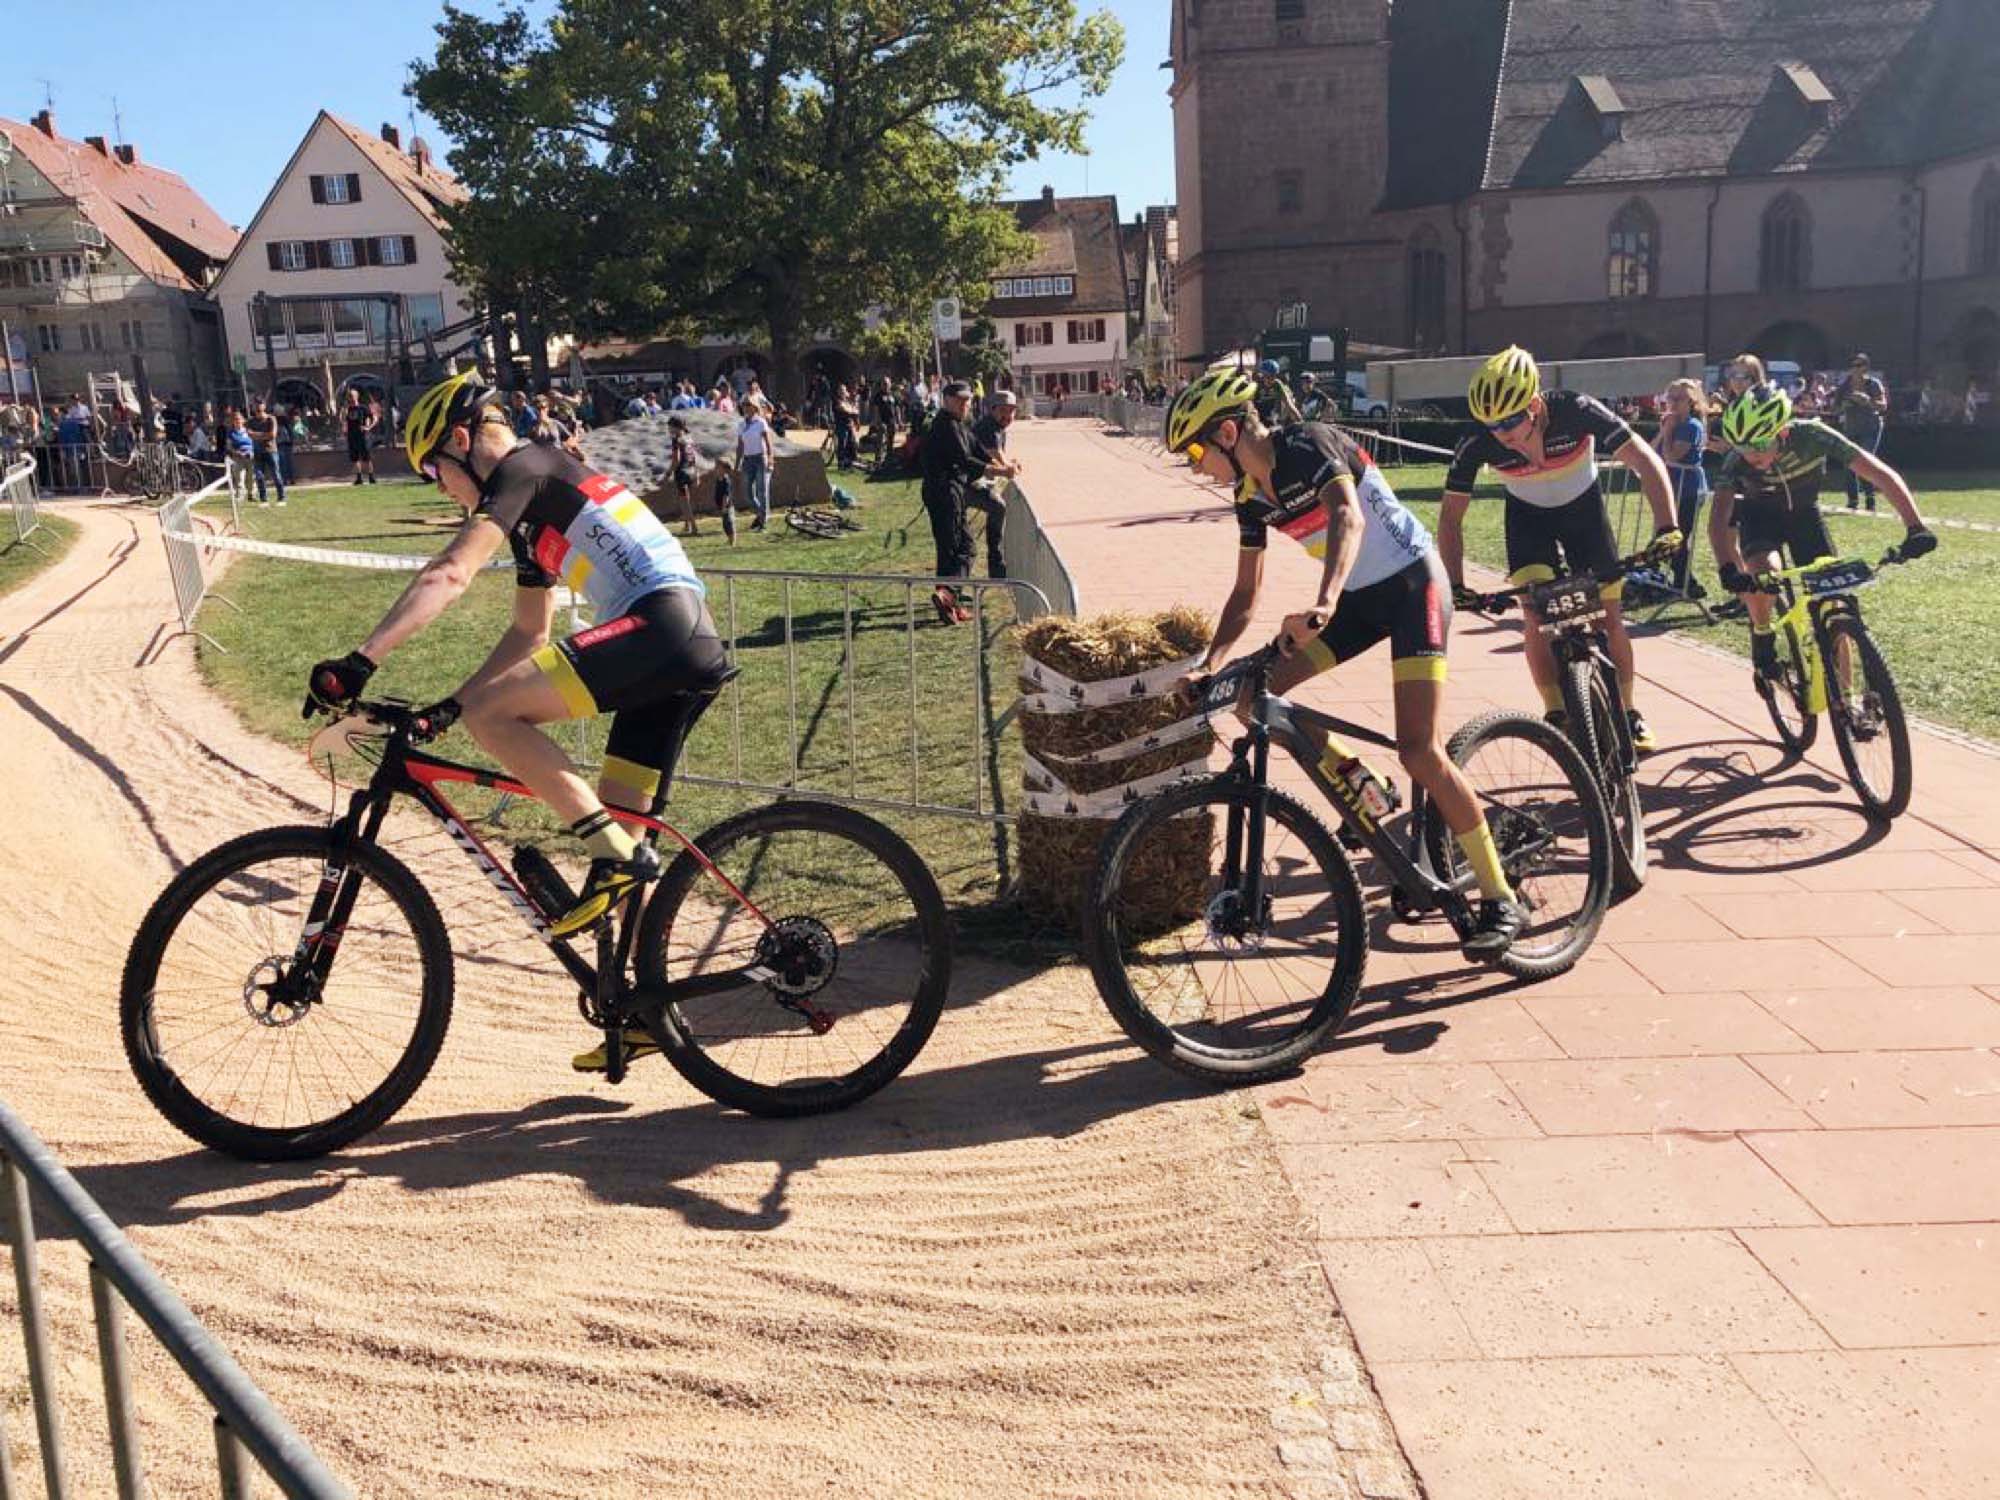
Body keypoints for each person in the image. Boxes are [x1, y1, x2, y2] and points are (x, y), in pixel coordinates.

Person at [304, 370, 732, 1025]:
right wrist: (450, 706)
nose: (444, 492)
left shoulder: (524, 470)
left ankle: (614, 854)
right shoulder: (539, 504)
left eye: (436, 473)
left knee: (577, 807)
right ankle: (646, 1019)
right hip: (674, 643)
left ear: (461, 439)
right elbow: (529, 632)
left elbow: (450, 573)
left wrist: (361, 660)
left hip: (662, 629)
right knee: (618, 822)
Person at [1162, 368, 1525, 958]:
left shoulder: (1308, 443)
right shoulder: (1248, 498)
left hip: (1413, 587)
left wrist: (1323, 603)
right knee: (1254, 697)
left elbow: (1348, 518)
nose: (1195, 466)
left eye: (1196, 450)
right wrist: (1211, 662)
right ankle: (1364, 784)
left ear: (1228, 432)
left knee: (1420, 750)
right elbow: (1245, 592)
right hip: (1355, 602)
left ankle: (1499, 896)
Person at [1437, 346, 1681, 750]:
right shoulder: (1478, 439)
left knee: (1608, 618)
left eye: (1511, 421)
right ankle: (1554, 710)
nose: (1501, 433)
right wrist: (1457, 583)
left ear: (1534, 405)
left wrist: (1667, 527)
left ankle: (1629, 709)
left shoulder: (1575, 408)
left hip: (1584, 514)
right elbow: (1450, 517)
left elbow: (1644, 460)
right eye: (1491, 424)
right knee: (1535, 615)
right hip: (1528, 520)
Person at [1709, 382, 1937, 687]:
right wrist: (1727, 567)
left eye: (1760, 446)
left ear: (1783, 432)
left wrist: (1915, 527)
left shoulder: (1813, 436)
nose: (1752, 457)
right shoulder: (1736, 462)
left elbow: (1877, 473)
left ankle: (1848, 698)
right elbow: (1718, 519)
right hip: (1760, 518)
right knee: (1766, 576)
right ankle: (1762, 631)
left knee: (1835, 605)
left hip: (1805, 515)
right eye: (1745, 449)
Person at [919, 381, 1010, 623]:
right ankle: (949, 593)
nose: (964, 404)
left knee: (950, 548)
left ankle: (949, 602)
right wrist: (997, 472)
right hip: (944, 492)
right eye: (959, 400)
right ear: (946, 399)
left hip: (951, 491)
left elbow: (977, 449)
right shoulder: (945, 425)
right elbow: (964, 459)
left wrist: (1003, 466)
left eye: (967, 400)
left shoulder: (959, 425)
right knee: (964, 547)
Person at [1655, 378, 1709, 596]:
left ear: (1691, 402)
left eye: (1680, 399)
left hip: (1688, 491)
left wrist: (1668, 432)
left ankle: (1688, 583)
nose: (1674, 403)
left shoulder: (1690, 426)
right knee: (1667, 537)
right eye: (1670, 398)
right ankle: (1683, 581)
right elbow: (1651, 452)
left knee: (1677, 537)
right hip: (1671, 489)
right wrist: (1663, 430)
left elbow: (1671, 456)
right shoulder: (1671, 424)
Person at [967, 389, 1024, 577]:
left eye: (1011, 411)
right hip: (964, 484)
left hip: (973, 481)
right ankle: (996, 563)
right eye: (1003, 410)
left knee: (964, 543)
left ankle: (994, 566)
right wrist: (1010, 468)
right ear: (992, 410)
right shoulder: (988, 427)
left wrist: (1010, 464)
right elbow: (995, 458)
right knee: (997, 507)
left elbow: (1001, 458)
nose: (1007, 415)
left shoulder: (996, 428)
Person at [1835, 354, 1889, 512]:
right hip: (1851, 428)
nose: (1856, 369)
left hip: (1870, 428)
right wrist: (1845, 404)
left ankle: (1870, 499)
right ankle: (1853, 500)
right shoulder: (1844, 386)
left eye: (1859, 365)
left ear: (1866, 367)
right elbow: (1835, 408)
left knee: (1865, 460)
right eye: (1853, 366)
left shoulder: (1873, 384)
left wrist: (1867, 401)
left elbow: (1883, 406)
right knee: (1849, 463)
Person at [735, 396, 774, 530]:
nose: (746, 407)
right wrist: (737, 463)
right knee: (747, 492)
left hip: (759, 458)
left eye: (748, 404)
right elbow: (740, 445)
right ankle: (761, 513)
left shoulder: (761, 422)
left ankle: (762, 521)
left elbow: (768, 442)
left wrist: (770, 458)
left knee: (761, 491)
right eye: (744, 405)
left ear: (754, 407)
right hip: (747, 459)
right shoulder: (741, 424)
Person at [245, 398, 286, 506]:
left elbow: (272, 435)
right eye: (255, 405)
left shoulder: (271, 419)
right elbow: (249, 434)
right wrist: (264, 435)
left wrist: (256, 434)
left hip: (271, 451)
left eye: (260, 405)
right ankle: (264, 500)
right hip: (257, 452)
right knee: (259, 476)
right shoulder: (250, 421)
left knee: (276, 475)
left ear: (264, 406)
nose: (258, 407)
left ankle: (281, 498)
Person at [668, 415, 701, 535]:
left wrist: (669, 472)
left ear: (676, 427)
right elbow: (694, 457)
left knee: (684, 501)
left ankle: (694, 526)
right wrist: (697, 473)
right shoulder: (689, 438)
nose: (669, 429)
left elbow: (676, 459)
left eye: (670, 427)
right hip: (691, 470)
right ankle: (687, 525)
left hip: (681, 472)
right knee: (687, 499)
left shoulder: (676, 439)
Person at [1253, 358, 1302, 427]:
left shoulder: (1277, 384)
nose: (1270, 379)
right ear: (1262, 375)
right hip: (1257, 419)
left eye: (1273, 376)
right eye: (1267, 376)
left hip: (1273, 419)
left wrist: (1301, 421)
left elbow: (1289, 404)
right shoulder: (1256, 384)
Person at [344, 390, 378, 484]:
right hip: (352, 436)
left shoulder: (363, 408)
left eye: (353, 395)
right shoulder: (348, 409)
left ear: (357, 396)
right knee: (355, 458)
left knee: (367, 457)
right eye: (350, 396)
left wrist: (368, 427)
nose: (351, 398)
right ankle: (359, 478)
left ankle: (371, 476)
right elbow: (345, 421)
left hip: (363, 436)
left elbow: (374, 418)